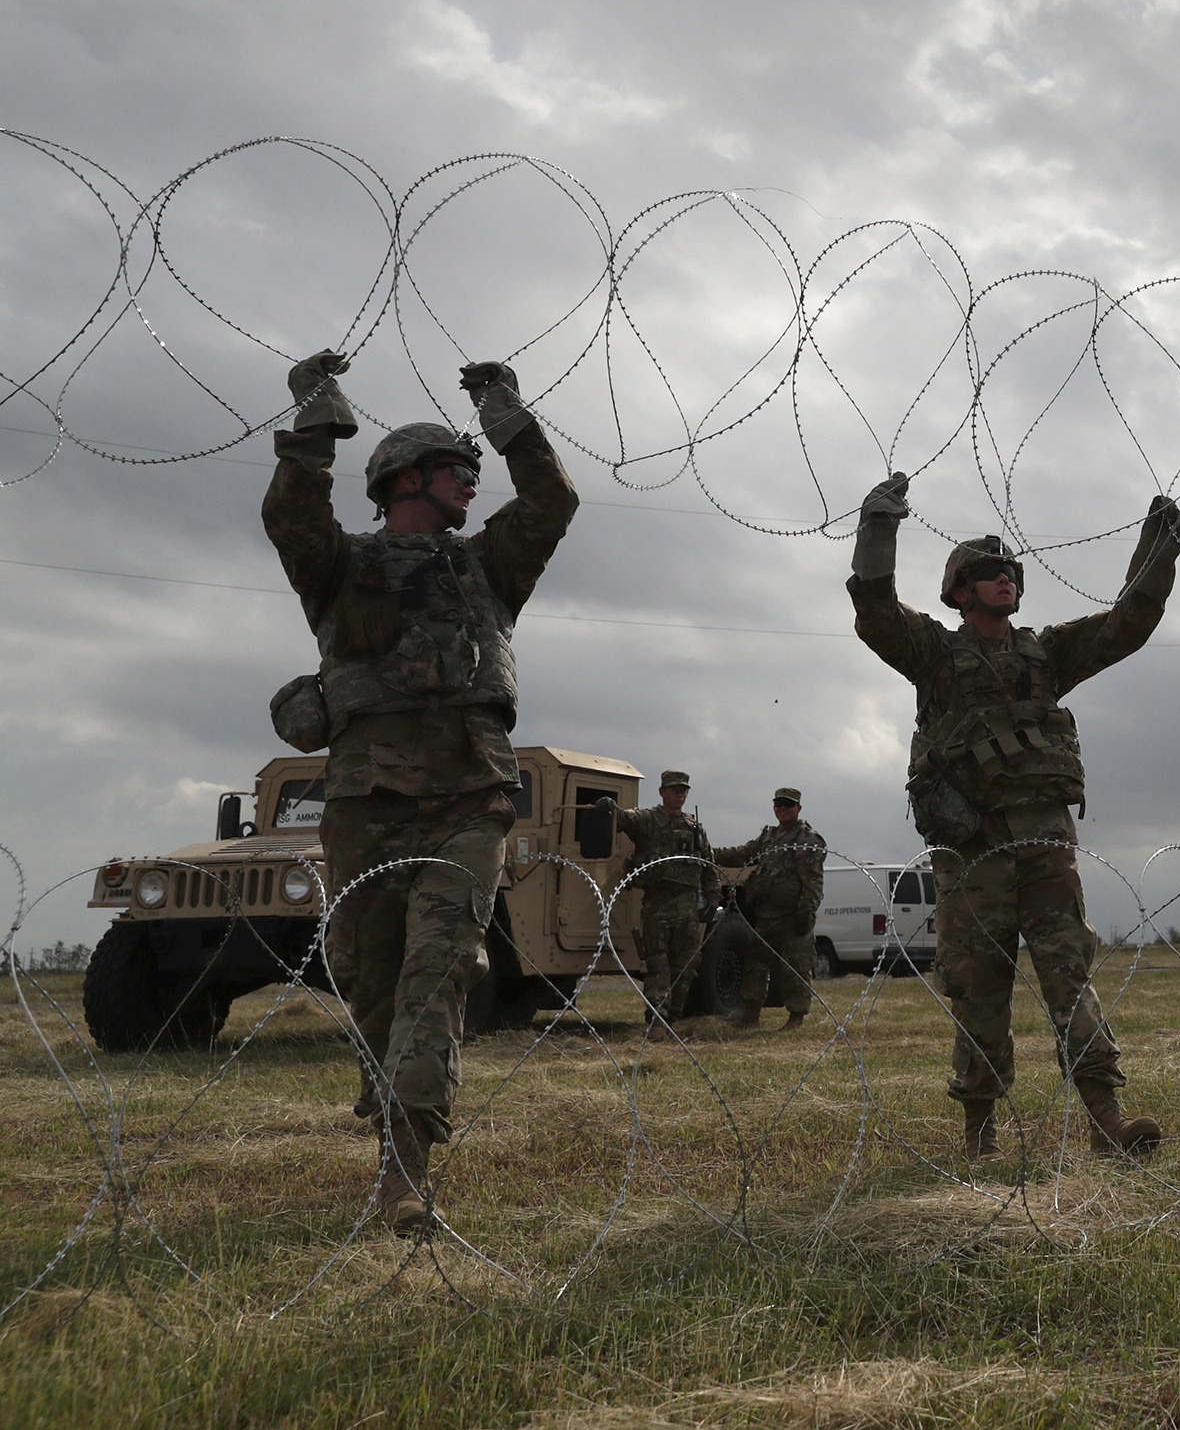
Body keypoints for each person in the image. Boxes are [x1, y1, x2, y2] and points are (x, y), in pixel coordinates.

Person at [263, 349, 577, 1236]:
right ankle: (388, 1133)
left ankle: (406, 1171)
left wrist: (502, 412)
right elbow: (291, 513)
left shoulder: (488, 565)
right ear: (405, 477)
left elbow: (551, 500)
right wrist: (316, 420)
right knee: (371, 983)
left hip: (468, 796)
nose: (472, 481)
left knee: (439, 971)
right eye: (455, 467)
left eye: (475, 468)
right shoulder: (340, 565)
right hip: (365, 799)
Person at [849, 472, 1180, 1159]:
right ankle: (979, 1134)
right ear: (959, 591)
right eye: (988, 572)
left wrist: (1159, 552)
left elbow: (1126, 624)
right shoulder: (935, 655)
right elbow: (876, 614)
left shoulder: (1046, 653)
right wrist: (877, 530)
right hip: (973, 853)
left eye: (1010, 572)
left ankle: (1106, 1121)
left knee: (1069, 976)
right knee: (979, 988)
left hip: (1046, 848)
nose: (1004, 578)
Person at [599, 771, 718, 1038]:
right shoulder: (648, 820)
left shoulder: (694, 828)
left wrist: (712, 900)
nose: (680, 794)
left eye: (684, 790)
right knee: (658, 964)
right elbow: (625, 820)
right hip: (658, 902)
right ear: (662, 792)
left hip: (687, 904)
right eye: (674, 789)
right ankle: (657, 1020)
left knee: (686, 965)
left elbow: (708, 866)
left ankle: (672, 1018)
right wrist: (611, 808)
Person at [714, 787, 827, 1030]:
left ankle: (796, 1017)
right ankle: (751, 1015)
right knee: (755, 964)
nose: (783, 809)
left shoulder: (807, 840)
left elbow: (813, 882)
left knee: (795, 966)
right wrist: (708, 852)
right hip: (766, 915)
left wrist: (805, 912)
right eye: (779, 804)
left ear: (798, 808)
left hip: (791, 915)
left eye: (789, 804)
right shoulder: (769, 838)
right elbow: (741, 855)